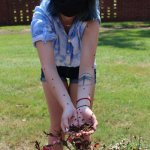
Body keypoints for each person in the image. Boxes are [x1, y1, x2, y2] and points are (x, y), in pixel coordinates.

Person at [31, 0, 100, 149]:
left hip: (81, 66)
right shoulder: (41, 16)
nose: (68, 21)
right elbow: (48, 67)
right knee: (57, 128)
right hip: (53, 68)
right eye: (63, 17)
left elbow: (87, 66)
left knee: (82, 128)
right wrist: (67, 106)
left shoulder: (91, 10)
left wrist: (83, 105)